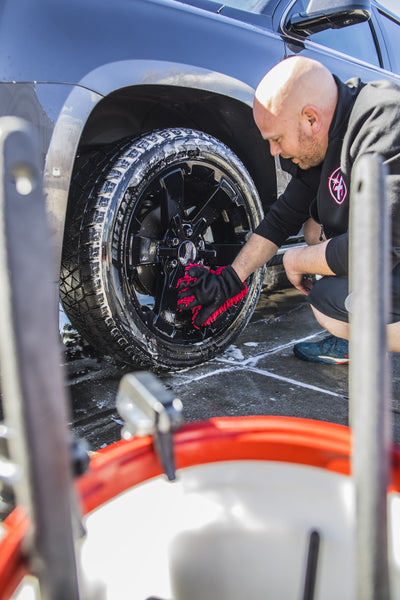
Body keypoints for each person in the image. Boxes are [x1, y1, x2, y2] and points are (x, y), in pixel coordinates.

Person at [177, 56, 400, 364]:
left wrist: (294, 259)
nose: (274, 151)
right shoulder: (324, 141)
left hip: (387, 250)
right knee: (320, 252)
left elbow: (376, 249)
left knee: (330, 307)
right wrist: (229, 280)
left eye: (277, 139)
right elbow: (280, 221)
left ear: (311, 119)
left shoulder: (385, 122)